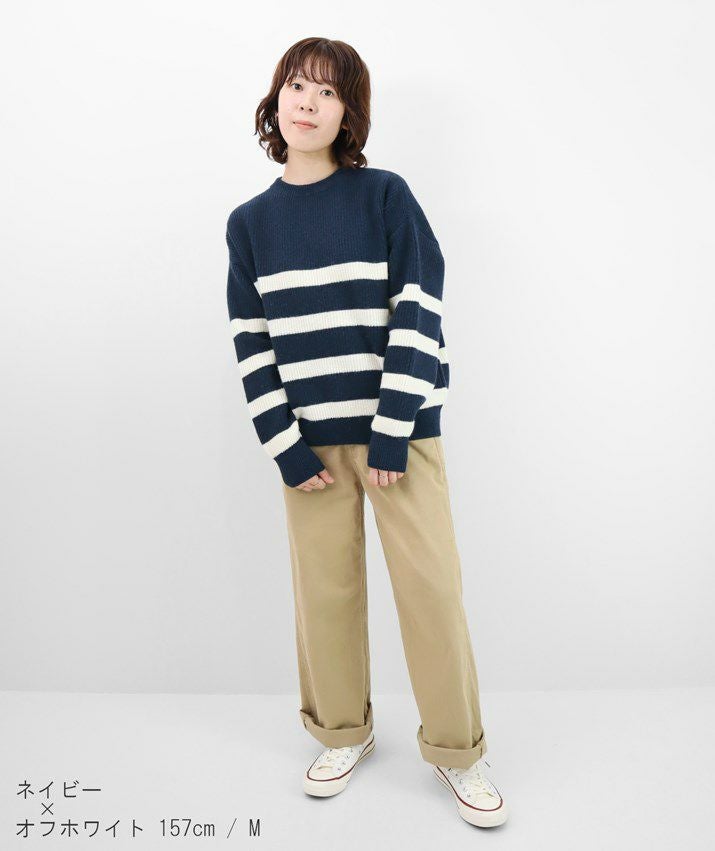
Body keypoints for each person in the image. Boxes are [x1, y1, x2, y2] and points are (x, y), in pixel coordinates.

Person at [225, 36, 509, 829]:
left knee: (430, 591)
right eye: (297, 85)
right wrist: (284, 445)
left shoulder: (383, 196)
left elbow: (420, 307)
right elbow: (250, 342)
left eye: (328, 91)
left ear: (348, 113)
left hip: (399, 436)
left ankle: (456, 748)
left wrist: (390, 430)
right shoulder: (249, 224)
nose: (308, 102)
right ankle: (340, 732)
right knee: (325, 593)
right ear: (276, 99)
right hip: (308, 445)